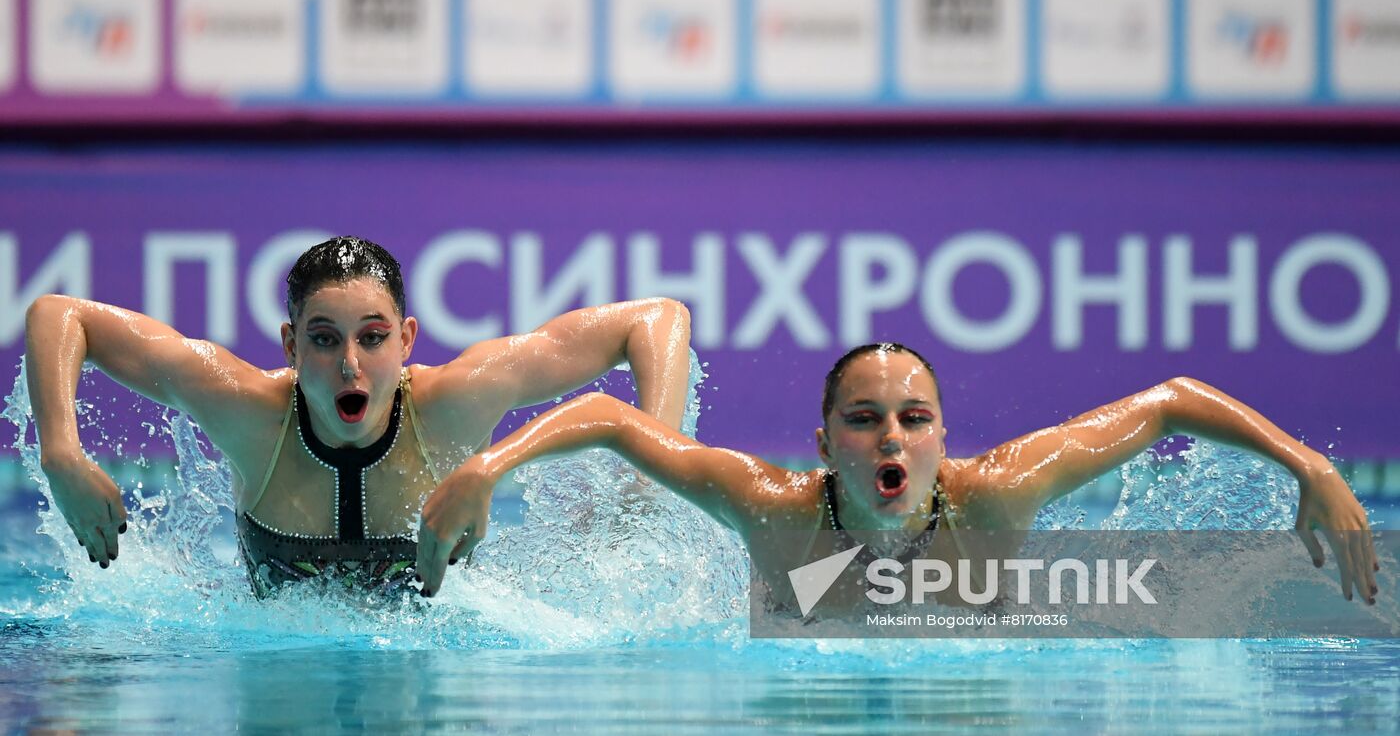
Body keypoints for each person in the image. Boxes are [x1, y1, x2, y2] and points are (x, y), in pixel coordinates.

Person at [416, 342, 1379, 609]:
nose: (892, 439)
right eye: (865, 420)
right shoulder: (769, 506)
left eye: (914, 420)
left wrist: (1311, 465)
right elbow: (609, 419)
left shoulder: (997, 493)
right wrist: (489, 468)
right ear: (825, 440)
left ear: (942, 437)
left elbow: (1167, 401)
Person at [25, 236, 692, 597]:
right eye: (323, 339)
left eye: (372, 338)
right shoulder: (252, 413)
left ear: (406, 340)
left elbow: (656, 318)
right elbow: (61, 315)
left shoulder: (456, 403)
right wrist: (61, 455)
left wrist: (652, 477)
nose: (349, 364)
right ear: (291, 346)